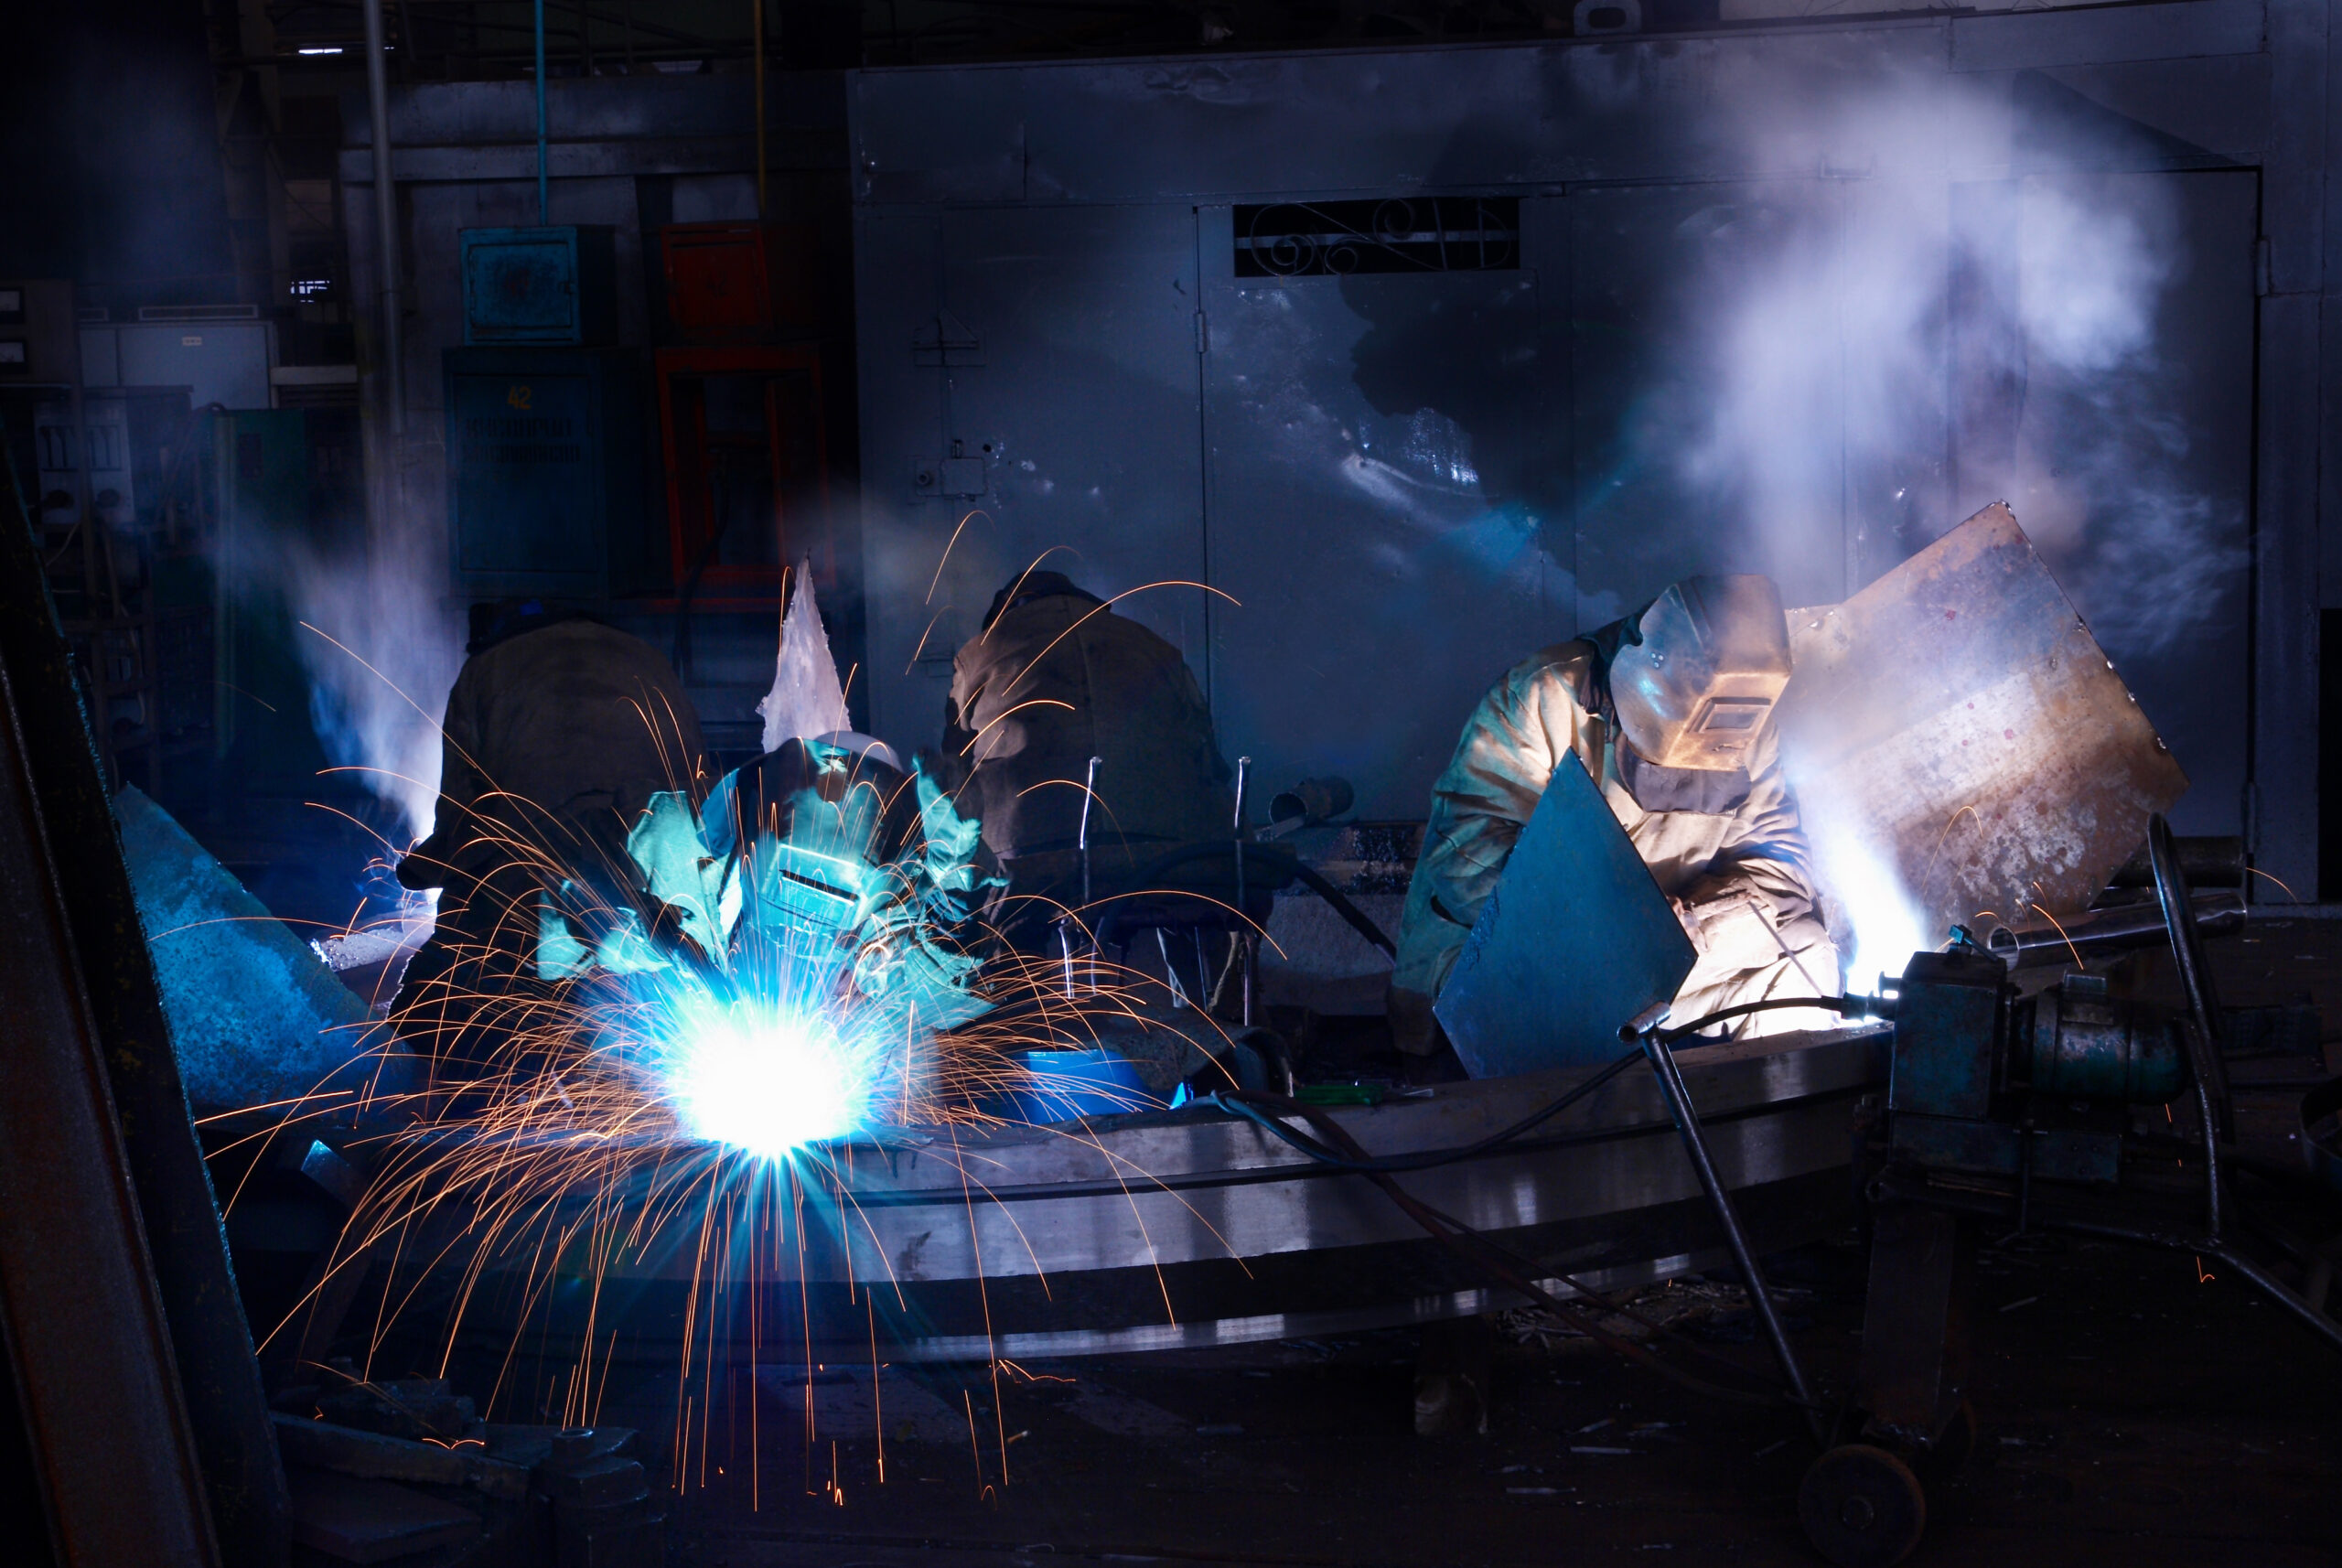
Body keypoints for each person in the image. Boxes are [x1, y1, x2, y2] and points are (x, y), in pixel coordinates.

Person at [1389, 574, 1837, 1059]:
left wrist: (1691, 923)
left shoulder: (1752, 728)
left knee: (1804, 956)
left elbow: (1781, 867)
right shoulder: (1543, 695)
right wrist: (1613, 924)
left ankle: (1777, 1106)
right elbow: (1465, 859)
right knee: (1563, 1016)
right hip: (1529, 951)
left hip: (1664, 952)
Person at [392, 600, 705, 1070]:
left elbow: (464, 824)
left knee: (449, 988)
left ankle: (426, 1086)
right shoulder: (650, 661)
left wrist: (423, 866)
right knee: (667, 978)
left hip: (540, 863)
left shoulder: (485, 671)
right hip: (660, 865)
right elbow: (703, 803)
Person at [940, 569, 1234, 934]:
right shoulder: (1152, 644)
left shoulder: (979, 652)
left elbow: (952, 772)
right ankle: (1202, 969)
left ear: (1006, 611)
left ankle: (1015, 964)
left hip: (1029, 852)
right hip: (1161, 845)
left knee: (1003, 934)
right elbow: (1210, 759)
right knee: (1197, 923)